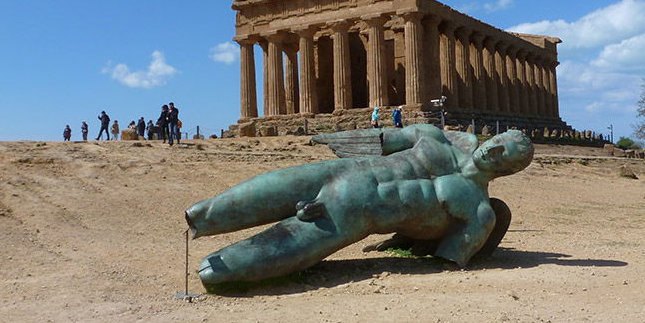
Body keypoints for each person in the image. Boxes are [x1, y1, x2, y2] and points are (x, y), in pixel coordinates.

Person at [185, 125, 533, 285]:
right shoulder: (438, 138)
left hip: (354, 215)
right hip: (340, 171)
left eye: (506, 155)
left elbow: (447, 257)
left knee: (219, 271)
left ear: (511, 170)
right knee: (212, 210)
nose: (495, 150)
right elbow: (380, 139)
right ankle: (201, 219)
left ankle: (220, 272)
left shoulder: (478, 211)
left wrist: (416, 242)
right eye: (498, 141)